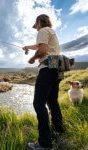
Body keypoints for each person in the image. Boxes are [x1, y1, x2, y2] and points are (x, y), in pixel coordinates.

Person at [22, 14, 64, 150]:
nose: (36, 29)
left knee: (38, 103)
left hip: (47, 68)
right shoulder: (51, 32)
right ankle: (59, 132)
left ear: (40, 21)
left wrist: (32, 59)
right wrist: (27, 47)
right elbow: (39, 45)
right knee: (53, 102)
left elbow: (42, 49)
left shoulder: (43, 30)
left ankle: (44, 143)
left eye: (36, 25)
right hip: (56, 67)